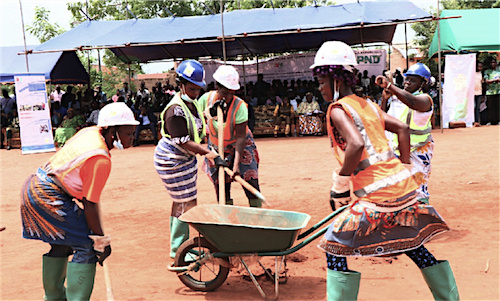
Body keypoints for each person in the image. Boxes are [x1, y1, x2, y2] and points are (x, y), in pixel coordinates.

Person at [311, 40, 458, 301]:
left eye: (321, 82)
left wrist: (340, 182)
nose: (319, 88)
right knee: (411, 243)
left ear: (334, 80)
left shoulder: (338, 110)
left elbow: (355, 145)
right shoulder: (366, 104)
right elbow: (402, 129)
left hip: (378, 196)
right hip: (404, 191)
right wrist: (403, 167)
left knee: (334, 245)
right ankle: (449, 298)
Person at [20, 102, 139, 300]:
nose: (132, 139)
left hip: (34, 187)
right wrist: (100, 240)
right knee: (86, 245)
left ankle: (54, 298)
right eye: (128, 134)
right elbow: (90, 204)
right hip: (49, 195)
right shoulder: (100, 158)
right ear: (113, 133)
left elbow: (87, 200)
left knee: (62, 244)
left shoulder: (90, 133)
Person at [153, 60, 226, 260]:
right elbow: (184, 141)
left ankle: (179, 247)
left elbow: (198, 120)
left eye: (198, 89)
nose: (195, 92)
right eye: (192, 88)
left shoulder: (190, 102)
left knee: (182, 201)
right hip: (172, 160)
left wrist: (212, 112)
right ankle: (179, 249)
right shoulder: (173, 111)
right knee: (187, 202)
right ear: (181, 84)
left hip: (184, 160)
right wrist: (210, 154)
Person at [198, 65, 263, 208]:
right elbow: (197, 121)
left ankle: (257, 217)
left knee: (250, 181)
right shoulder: (205, 100)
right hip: (216, 146)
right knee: (221, 185)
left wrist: (236, 166)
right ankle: (227, 217)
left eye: (231, 93)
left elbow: (240, 137)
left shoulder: (240, 107)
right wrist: (209, 113)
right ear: (217, 87)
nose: (227, 97)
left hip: (241, 145)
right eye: (224, 92)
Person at [376, 63, 434, 204]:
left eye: (413, 80)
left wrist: (390, 86)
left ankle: (422, 212)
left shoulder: (425, 100)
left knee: (418, 183)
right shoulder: (397, 97)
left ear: (423, 84)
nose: (408, 82)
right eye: (407, 79)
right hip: (396, 147)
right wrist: (385, 98)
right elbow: (381, 116)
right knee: (395, 183)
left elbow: (412, 102)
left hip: (418, 148)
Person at [483, 56, 500, 125]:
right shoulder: (487, 71)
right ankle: (490, 120)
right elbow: (486, 81)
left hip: (498, 91)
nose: (493, 64)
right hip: (490, 92)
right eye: (492, 62)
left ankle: (498, 120)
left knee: (498, 106)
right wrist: (495, 80)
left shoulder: (498, 71)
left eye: (494, 62)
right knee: (490, 107)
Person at [474, 61, 486, 126]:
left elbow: (483, 84)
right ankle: (471, 120)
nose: (480, 68)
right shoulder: (472, 73)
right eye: (479, 66)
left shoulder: (481, 74)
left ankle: (477, 121)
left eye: (481, 67)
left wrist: (483, 95)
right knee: (472, 107)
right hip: (471, 93)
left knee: (478, 108)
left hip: (479, 92)